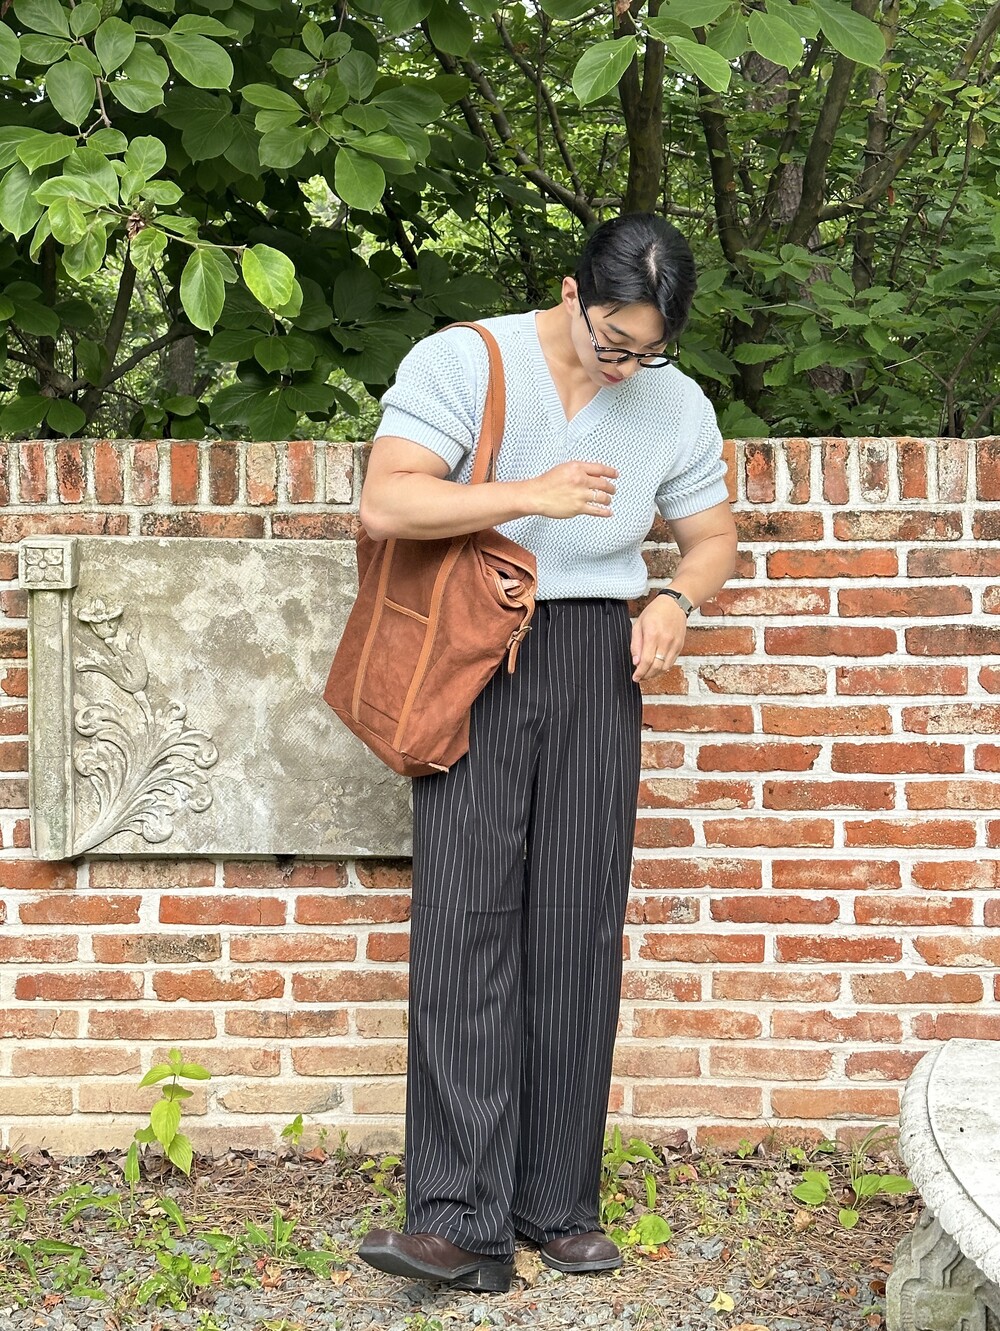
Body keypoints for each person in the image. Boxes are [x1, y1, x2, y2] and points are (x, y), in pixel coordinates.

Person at [356, 212, 738, 1294]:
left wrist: (674, 598)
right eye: (613, 339)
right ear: (573, 293)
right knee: (464, 920)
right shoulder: (465, 359)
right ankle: (453, 1218)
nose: (626, 365)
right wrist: (530, 493)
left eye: (647, 349)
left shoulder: (674, 401)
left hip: (594, 658)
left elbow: (712, 537)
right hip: (473, 646)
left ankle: (557, 1202)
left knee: (578, 924)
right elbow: (387, 501)